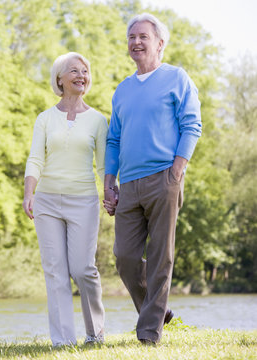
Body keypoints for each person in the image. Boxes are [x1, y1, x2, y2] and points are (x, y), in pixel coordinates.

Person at [103, 13, 202, 345]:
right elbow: (114, 139)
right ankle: (159, 310)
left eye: (143, 36)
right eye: (131, 37)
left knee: (161, 256)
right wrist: (109, 181)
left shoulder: (177, 78)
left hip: (164, 177)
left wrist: (178, 167)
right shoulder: (123, 90)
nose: (136, 42)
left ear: (160, 43)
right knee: (125, 257)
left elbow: (192, 124)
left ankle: (149, 334)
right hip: (128, 184)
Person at [23, 52, 106, 346]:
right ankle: (62, 341)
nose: (81, 75)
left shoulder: (98, 120)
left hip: (84, 201)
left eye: (85, 71)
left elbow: (103, 165)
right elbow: (36, 158)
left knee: (83, 269)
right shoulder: (45, 118)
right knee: (55, 271)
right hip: (47, 202)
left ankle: (95, 334)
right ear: (60, 79)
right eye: (74, 71)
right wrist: (29, 192)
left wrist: (111, 189)